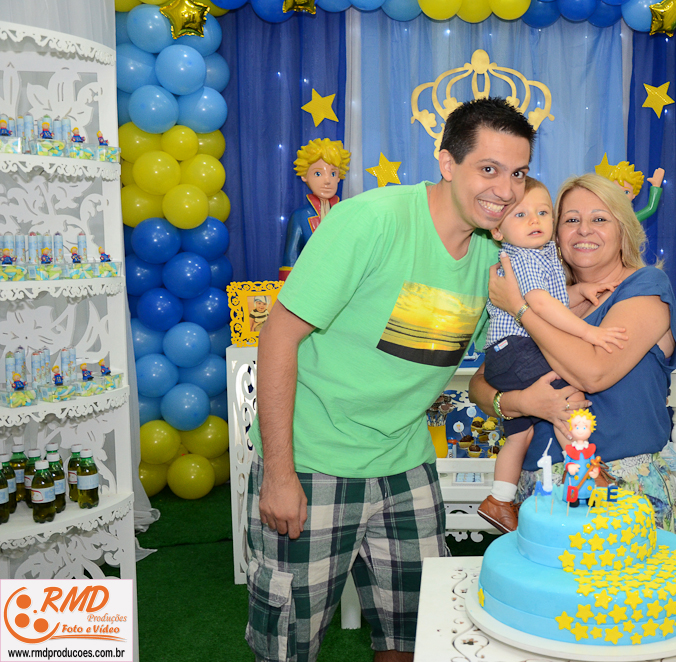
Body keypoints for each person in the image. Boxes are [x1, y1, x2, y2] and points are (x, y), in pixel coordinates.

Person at [246, 97, 534, 662]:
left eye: (519, 173)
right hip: (315, 460)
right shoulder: (372, 220)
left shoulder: (495, 256)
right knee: (289, 643)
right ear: (447, 163)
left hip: (405, 463)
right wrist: (280, 473)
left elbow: (498, 361)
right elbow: (278, 337)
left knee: (418, 633)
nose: (506, 190)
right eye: (490, 169)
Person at [470, 173, 676, 532]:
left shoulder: (645, 286)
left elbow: (593, 373)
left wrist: (520, 309)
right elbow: (481, 382)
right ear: (556, 234)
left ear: (624, 229)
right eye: (571, 220)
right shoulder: (552, 295)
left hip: (619, 485)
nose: (584, 230)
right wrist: (522, 402)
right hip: (539, 486)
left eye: (599, 219)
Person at [476, 176, 625, 532]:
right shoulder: (524, 257)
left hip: (504, 354)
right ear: (497, 229)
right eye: (521, 214)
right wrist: (589, 332)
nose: (535, 221)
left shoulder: (538, 255)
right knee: (569, 397)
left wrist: (582, 291)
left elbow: (551, 299)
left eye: (543, 213)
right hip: (517, 347)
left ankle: (499, 499)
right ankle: (586, 471)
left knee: (519, 435)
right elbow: (539, 304)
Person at [279, 138, 352, 281]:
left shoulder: (347, 213)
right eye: (318, 173)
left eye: (333, 173)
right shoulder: (300, 216)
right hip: (310, 284)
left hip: (343, 284)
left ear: (339, 177)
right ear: (304, 176)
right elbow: (291, 258)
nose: (327, 180)